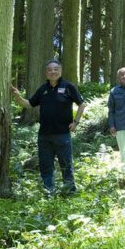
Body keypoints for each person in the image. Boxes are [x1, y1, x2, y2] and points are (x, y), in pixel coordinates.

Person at [12, 60, 86, 195]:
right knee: (46, 165)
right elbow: (29, 104)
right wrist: (18, 97)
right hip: (44, 135)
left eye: (55, 69)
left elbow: (82, 104)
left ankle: (69, 191)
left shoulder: (68, 87)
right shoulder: (43, 89)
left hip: (62, 134)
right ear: (46, 73)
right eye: (50, 70)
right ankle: (48, 191)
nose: (53, 72)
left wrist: (76, 122)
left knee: (66, 164)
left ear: (61, 71)